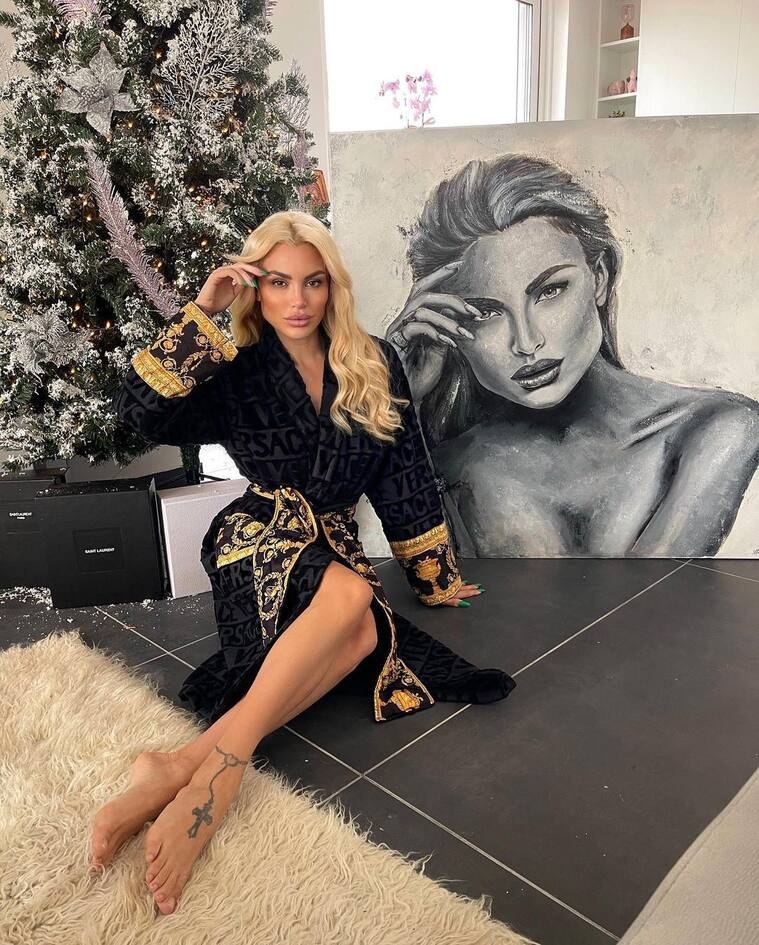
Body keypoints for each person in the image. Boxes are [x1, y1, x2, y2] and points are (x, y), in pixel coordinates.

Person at [89, 210, 516, 915]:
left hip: (332, 548)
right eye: (279, 282)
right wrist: (203, 312)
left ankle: (187, 762)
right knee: (352, 602)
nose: (297, 300)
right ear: (255, 287)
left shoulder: (374, 361)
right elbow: (139, 414)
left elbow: (404, 472)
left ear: (332, 286)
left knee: (359, 628)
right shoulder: (238, 368)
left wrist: (432, 575)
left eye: (313, 282)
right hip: (256, 539)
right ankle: (221, 779)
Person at [384, 154, 759, 557]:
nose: (526, 342)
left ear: (600, 277)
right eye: (486, 313)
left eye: (549, 291)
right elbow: (436, 580)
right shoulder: (453, 465)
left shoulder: (718, 430)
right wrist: (398, 397)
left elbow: (649, 595)